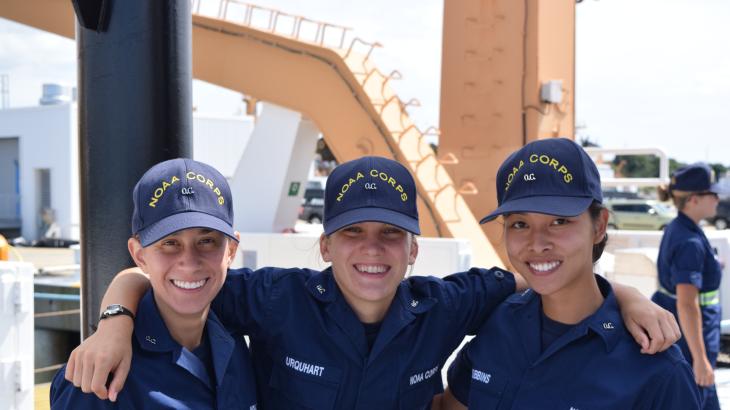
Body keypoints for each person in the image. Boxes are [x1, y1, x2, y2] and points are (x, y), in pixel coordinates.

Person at [64, 156, 678, 409]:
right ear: (324, 244)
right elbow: (169, 278)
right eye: (353, 234)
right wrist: (115, 322)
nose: (372, 251)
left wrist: (625, 297)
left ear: (415, 249)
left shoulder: (445, 305)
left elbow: (539, 279)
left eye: (389, 234)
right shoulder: (275, 298)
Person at [438, 138, 700, 409]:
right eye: (519, 224)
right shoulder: (496, 325)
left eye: (559, 221)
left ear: (599, 226)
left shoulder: (654, 365)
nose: (537, 243)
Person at [50, 158, 258, 409]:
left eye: (207, 241)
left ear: (231, 250)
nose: (189, 263)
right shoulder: (99, 377)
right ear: (139, 255)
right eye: (170, 243)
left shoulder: (235, 335)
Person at [651, 163, 723, 410]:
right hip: (694, 337)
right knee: (697, 396)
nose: (717, 198)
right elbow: (687, 303)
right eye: (711, 193)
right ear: (694, 199)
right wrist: (701, 360)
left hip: (685, 332)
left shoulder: (679, 228)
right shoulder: (690, 242)